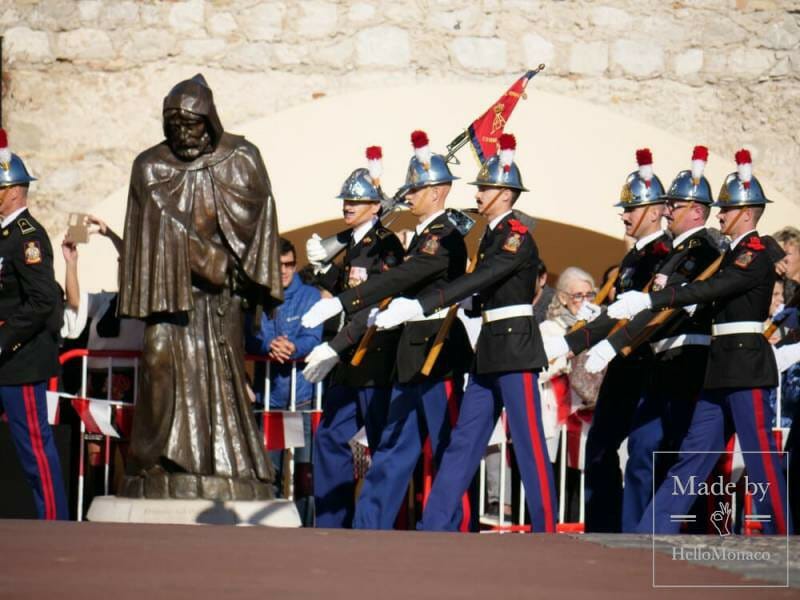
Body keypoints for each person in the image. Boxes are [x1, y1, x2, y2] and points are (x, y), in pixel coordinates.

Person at [377, 133, 558, 532]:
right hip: (490, 350)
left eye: (485, 188)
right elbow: (483, 289)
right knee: (462, 443)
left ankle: (547, 529)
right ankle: (436, 524)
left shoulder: (515, 234)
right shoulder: (490, 234)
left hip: (514, 349)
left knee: (527, 443)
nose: (477, 194)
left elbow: (487, 276)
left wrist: (427, 302)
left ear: (506, 194)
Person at [117, 74, 282, 500]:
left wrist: (232, 269)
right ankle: (154, 460)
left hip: (220, 296)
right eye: (175, 129)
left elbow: (259, 222)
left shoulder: (241, 158)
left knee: (222, 379)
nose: (184, 137)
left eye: (191, 127)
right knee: (157, 359)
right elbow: (149, 232)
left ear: (210, 122)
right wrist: (201, 256)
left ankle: (226, 466)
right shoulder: (150, 166)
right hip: (170, 295)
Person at [609, 149, 790, 535]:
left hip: (745, 366)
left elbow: (717, 287)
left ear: (747, 213)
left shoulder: (752, 253)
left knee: (761, 457)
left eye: (725, 209)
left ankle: (783, 533)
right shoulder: (730, 252)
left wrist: (655, 298)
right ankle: (652, 531)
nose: (719, 214)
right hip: (720, 367)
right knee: (693, 455)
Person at [302, 130, 473, 530]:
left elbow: (400, 279)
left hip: (438, 350)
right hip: (410, 353)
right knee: (396, 446)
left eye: (416, 188)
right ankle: (368, 527)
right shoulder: (422, 236)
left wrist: (345, 301)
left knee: (448, 445)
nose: (408, 194)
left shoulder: (444, 235)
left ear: (439, 191)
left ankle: (453, 528)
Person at [583, 146, 723, 531]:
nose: (667, 210)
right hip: (660, 359)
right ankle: (634, 534)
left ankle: (683, 532)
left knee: (674, 452)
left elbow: (670, 302)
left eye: (674, 205)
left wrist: (612, 340)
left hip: (686, 358)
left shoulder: (704, 247)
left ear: (696, 209)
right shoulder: (669, 253)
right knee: (644, 450)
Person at [543, 148, 671, 532]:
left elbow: (652, 313)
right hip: (621, 365)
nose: (624, 215)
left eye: (631, 209)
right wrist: (571, 341)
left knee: (643, 455)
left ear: (652, 210)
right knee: (599, 447)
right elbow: (614, 313)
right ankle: (604, 528)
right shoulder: (632, 259)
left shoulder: (666, 255)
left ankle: (635, 533)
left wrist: (606, 341)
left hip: (648, 362)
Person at [297, 149, 405, 528]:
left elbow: (376, 302)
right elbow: (345, 290)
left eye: (356, 200)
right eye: (346, 200)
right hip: (349, 357)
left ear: (375, 206)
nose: (348, 206)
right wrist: (323, 268)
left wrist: (336, 345)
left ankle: (378, 524)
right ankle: (331, 523)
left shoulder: (385, 245)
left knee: (380, 443)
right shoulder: (354, 245)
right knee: (329, 438)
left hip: (373, 355)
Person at [0, 129, 68, 519]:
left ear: (12, 190)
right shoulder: (5, 235)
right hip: (6, 358)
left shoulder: (28, 237)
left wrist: (4, 338)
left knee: (34, 451)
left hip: (20, 360)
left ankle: (54, 521)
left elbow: (43, 300)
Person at [245, 237, 322, 523]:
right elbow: (251, 336)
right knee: (270, 472)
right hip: (270, 400)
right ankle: (271, 524)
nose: (286, 271)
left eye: (290, 265)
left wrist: (293, 348)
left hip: (302, 398)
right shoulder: (259, 298)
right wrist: (269, 346)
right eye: (280, 266)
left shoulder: (310, 296)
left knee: (306, 474)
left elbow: (314, 336)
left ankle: (306, 527)